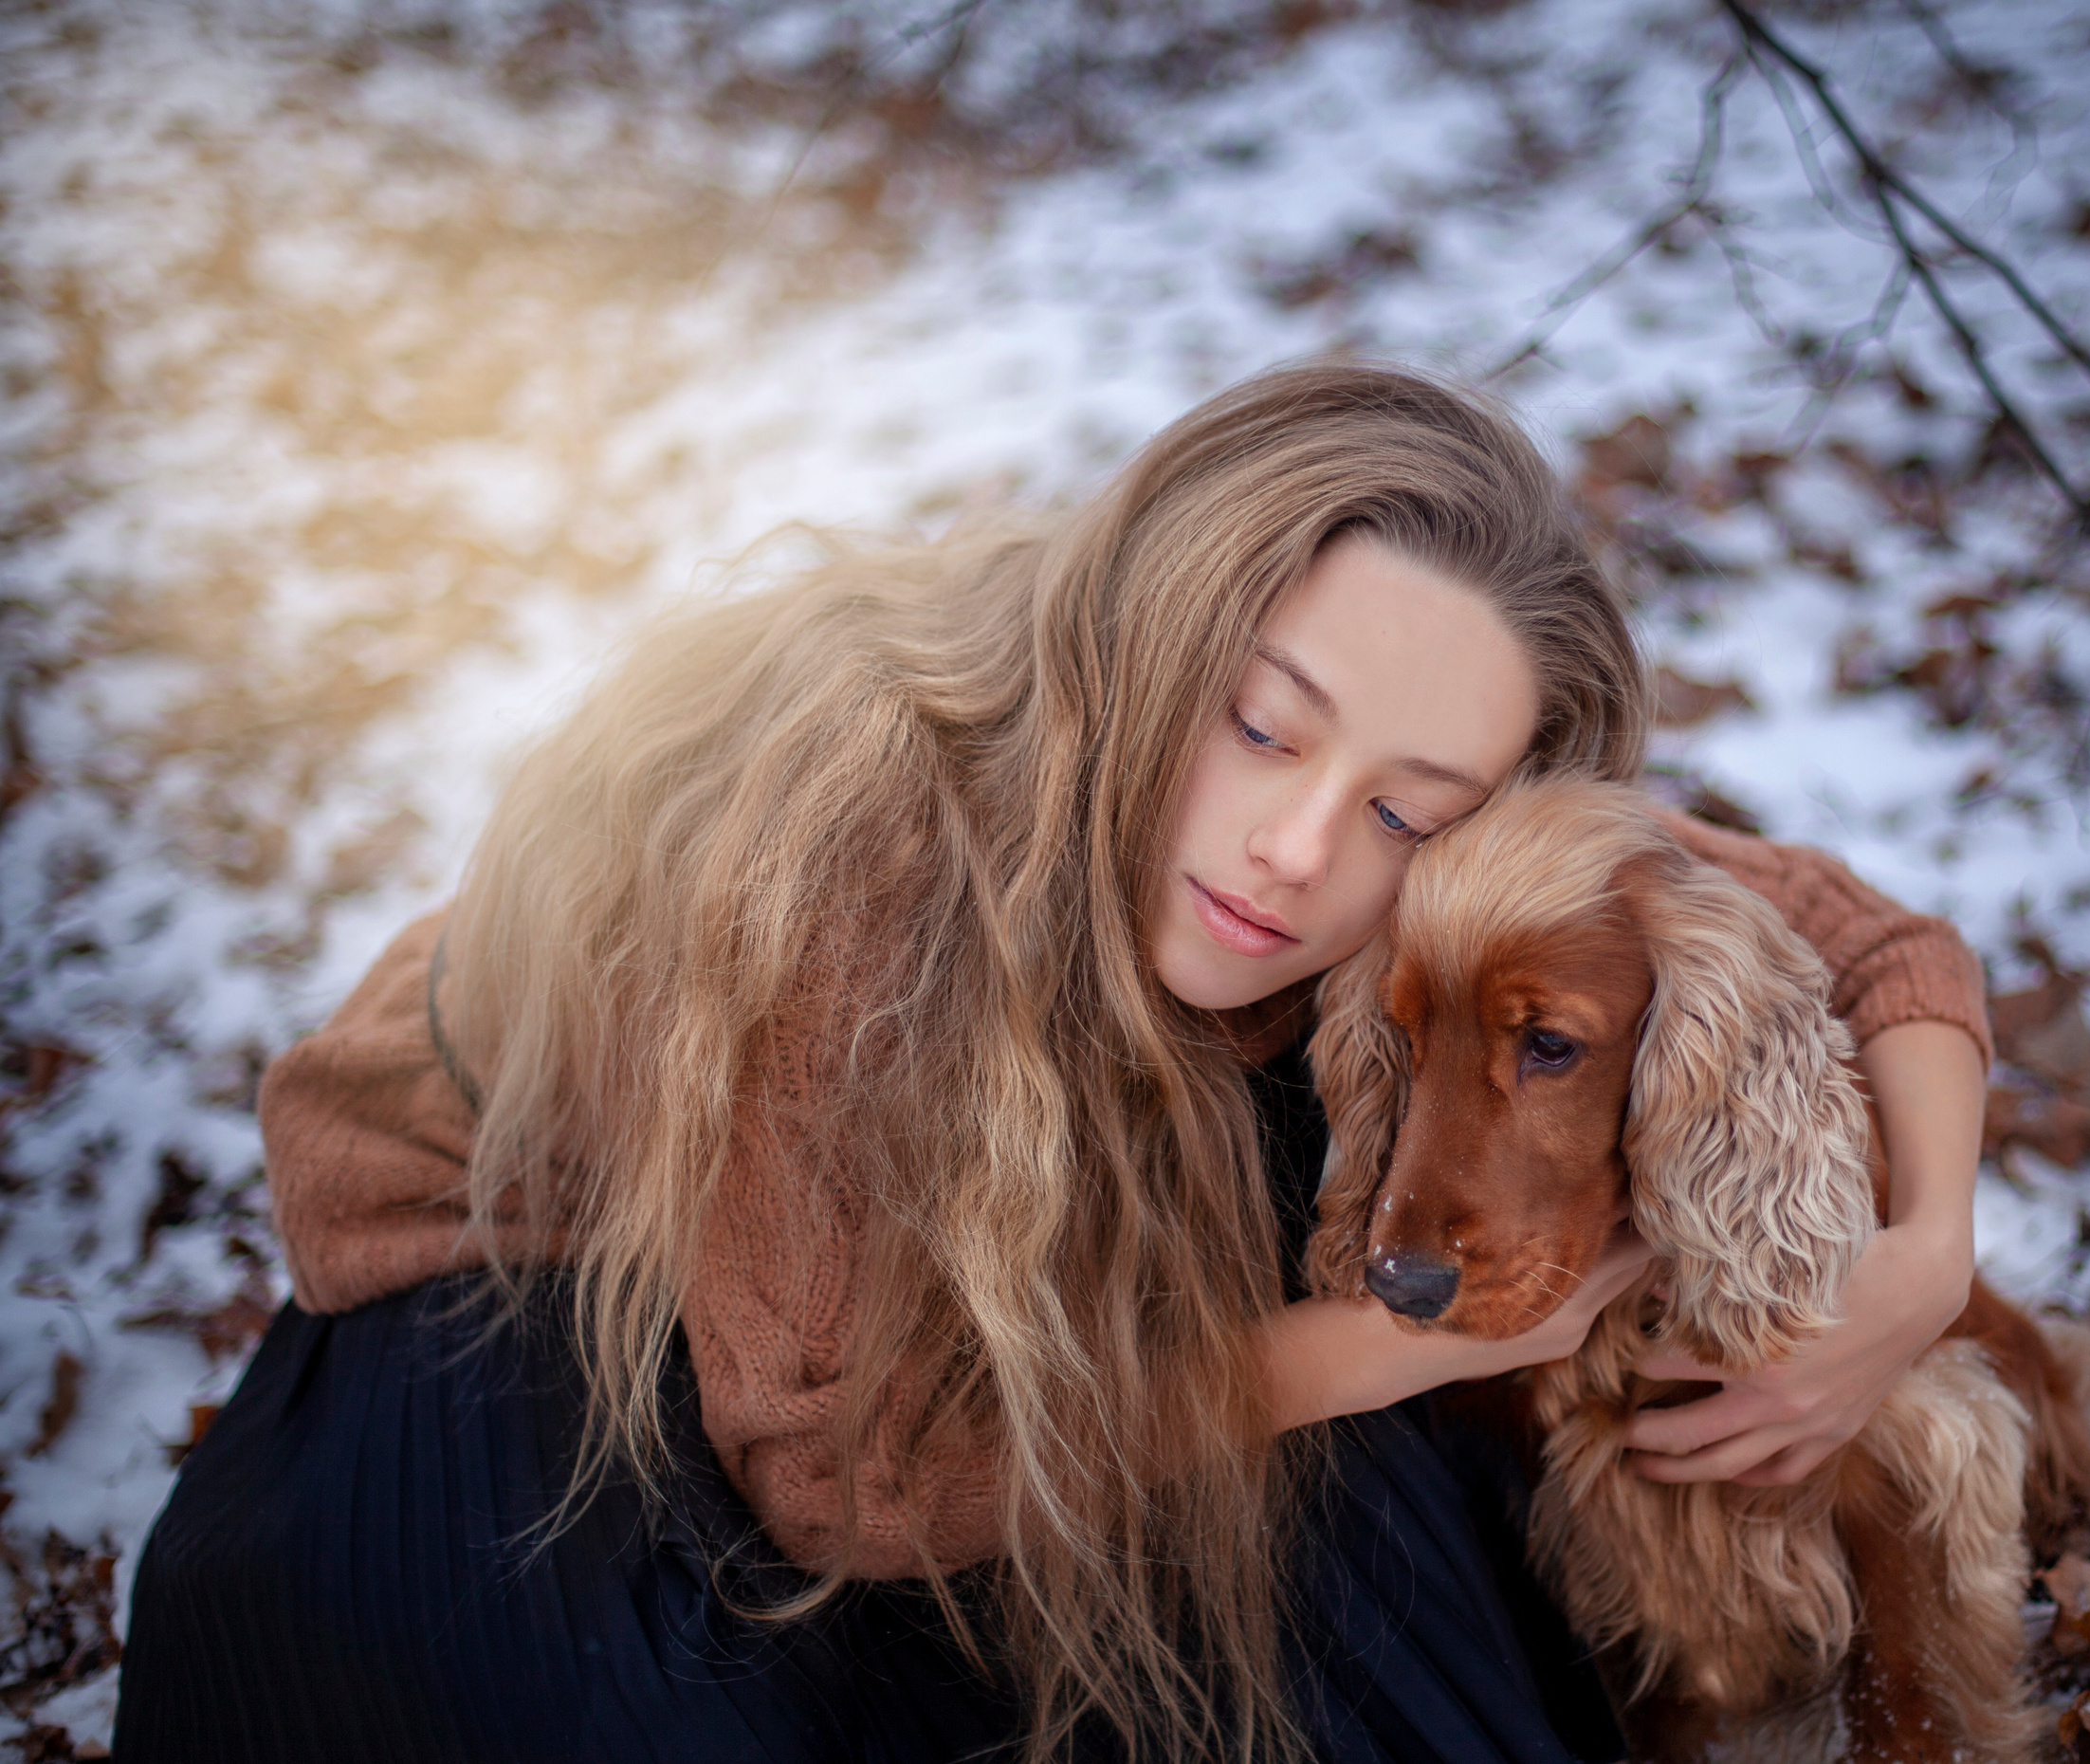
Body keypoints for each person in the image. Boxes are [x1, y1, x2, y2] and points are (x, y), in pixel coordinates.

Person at [114, 363, 1991, 1763]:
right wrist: (1404, 1341)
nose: (1294, 848)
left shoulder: (1364, 816)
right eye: (1263, 726)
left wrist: (1921, 1260)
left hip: (1000, 1211)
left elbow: (1851, 935)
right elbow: (846, 1478)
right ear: (1162, 628)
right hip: (548, 1301)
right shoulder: (852, 851)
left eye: (1408, 812)